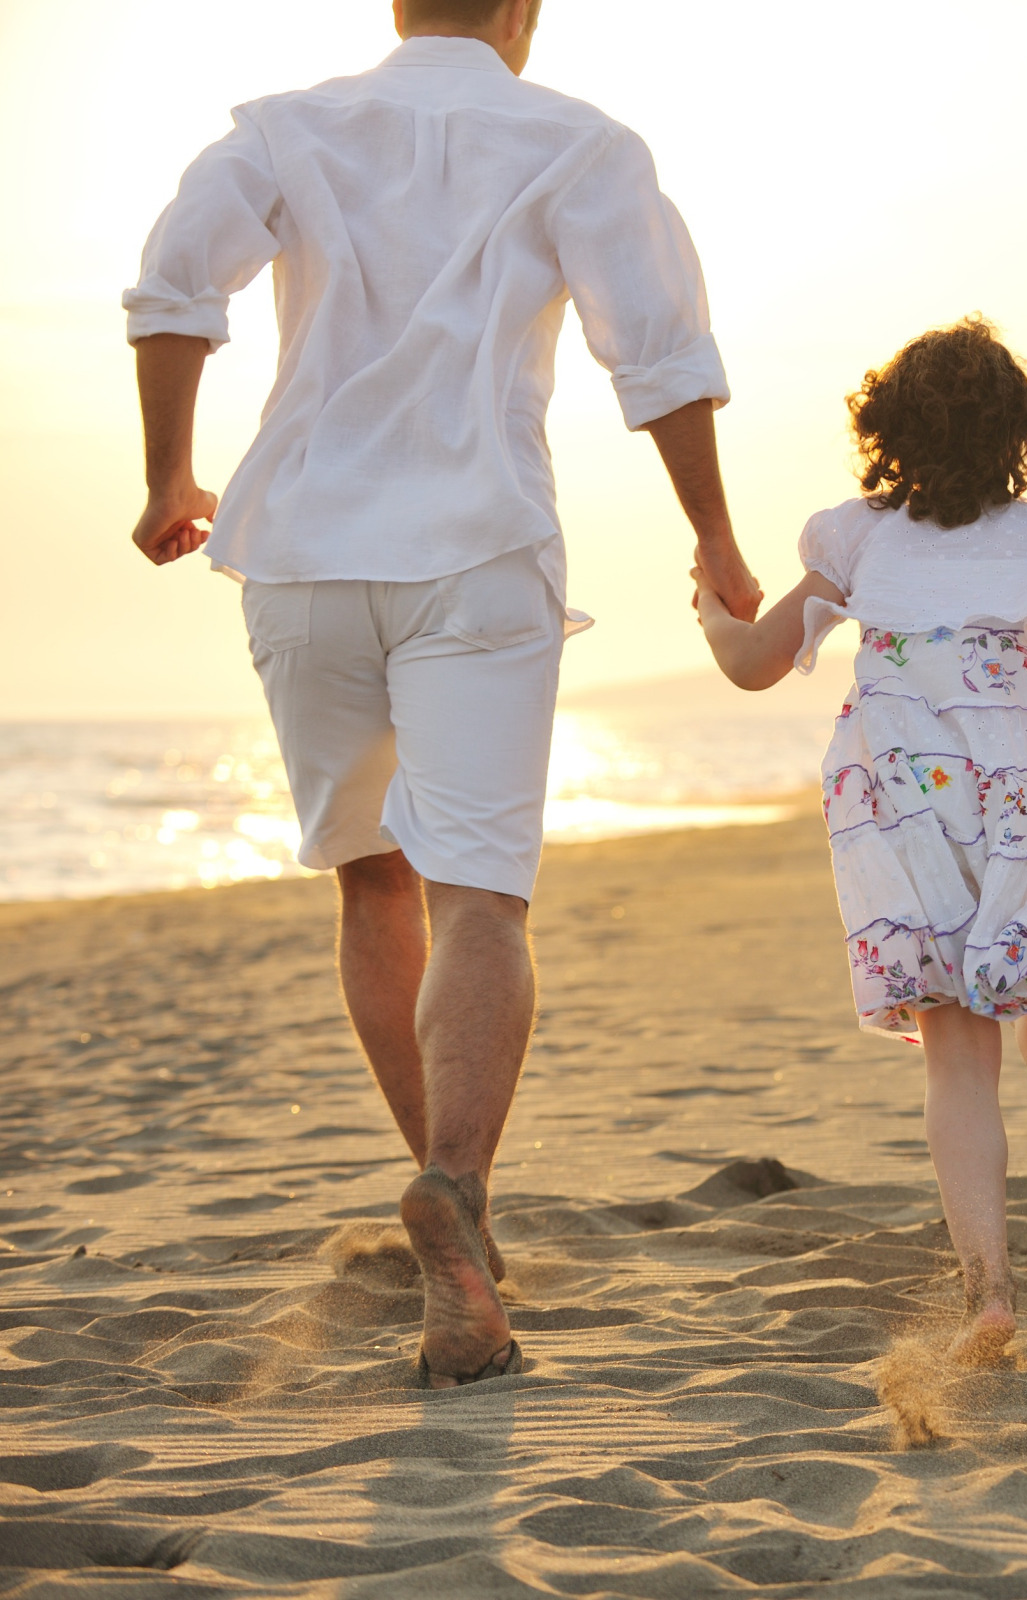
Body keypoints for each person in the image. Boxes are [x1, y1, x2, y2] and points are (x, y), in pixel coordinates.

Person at [122, 0, 762, 1384]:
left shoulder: (286, 127)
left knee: (374, 882)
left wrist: (170, 476)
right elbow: (658, 357)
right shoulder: (579, 143)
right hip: (475, 548)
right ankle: (458, 1191)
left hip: (299, 553)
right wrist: (712, 536)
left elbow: (176, 283)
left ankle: (442, 1182)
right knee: (482, 895)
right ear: (523, 12)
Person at [695, 318, 1027, 1362]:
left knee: (955, 1052)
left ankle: (989, 1292)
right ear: (1023, 431)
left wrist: (712, 612)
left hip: (905, 781)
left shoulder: (859, 537)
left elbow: (755, 660)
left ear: (885, 430)